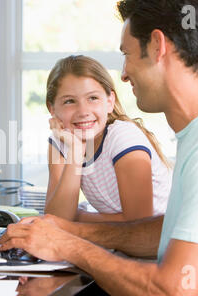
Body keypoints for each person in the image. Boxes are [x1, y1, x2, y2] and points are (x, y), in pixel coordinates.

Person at [0, 0, 198, 296]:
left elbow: (172, 292)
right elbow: (169, 233)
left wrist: (68, 244)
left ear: (156, 46)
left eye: (126, 54)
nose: (124, 74)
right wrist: (63, 231)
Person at [45, 55, 171, 223]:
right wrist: (76, 151)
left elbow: (139, 225)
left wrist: (77, 216)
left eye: (92, 98)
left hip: (158, 243)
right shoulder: (62, 141)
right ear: (51, 108)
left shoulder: (122, 137)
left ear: (110, 101)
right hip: (119, 241)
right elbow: (55, 219)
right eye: (69, 101)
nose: (83, 111)